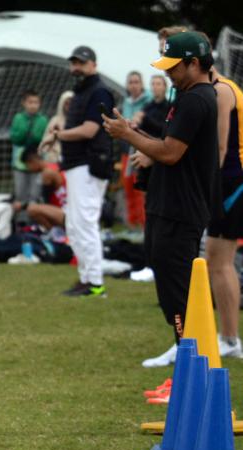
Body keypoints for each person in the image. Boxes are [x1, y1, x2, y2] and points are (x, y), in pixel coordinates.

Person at [103, 32, 219, 363]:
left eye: (173, 67)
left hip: (180, 210)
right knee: (171, 292)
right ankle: (187, 365)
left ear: (194, 64)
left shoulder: (197, 99)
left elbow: (170, 153)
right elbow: (169, 147)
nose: (168, 73)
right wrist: (134, 132)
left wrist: (127, 135)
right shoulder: (186, 96)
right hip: (167, 206)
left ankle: (190, 369)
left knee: (180, 295)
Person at [52, 46, 114, 297]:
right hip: (77, 165)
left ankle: (95, 282)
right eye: (74, 63)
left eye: (81, 63)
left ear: (93, 65)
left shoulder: (99, 92)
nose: (76, 67)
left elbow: (89, 130)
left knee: (85, 224)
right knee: (75, 226)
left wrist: (57, 135)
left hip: (89, 165)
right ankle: (86, 278)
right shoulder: (82, 92)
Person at [205, 64, 243, 358]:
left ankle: (230, 339)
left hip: (231, 184)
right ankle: (228, 337)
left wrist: (207, 188)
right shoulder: (221, 88)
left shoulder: (221, 91)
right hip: (229, 183)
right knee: (216, 261)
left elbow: (219, 146)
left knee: (220, 261)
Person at [120, 72, 152, 231]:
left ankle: (143, 225)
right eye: (130, 82)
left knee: (139, 188)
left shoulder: (149, 101)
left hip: (142, 150)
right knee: (128, 187)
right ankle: (132, 225)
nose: (133, 85)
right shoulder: (125, 103)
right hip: (127, 150)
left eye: (136, 82)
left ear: (141, 84)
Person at [10, 89, 48, 205]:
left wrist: (35, 137)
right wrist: (24, 133)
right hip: (20, 162)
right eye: (30, 102)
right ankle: (20, 221)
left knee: (35, 193)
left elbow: (45, 138)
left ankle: (33, 219)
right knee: (20, 193)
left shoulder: (43, 120)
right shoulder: (18, 118)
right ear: (24, 103)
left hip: (37, 161)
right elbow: (14, 137)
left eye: (36, 102)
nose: (33, 105)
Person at [39, 90, 74, 164]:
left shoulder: (78, 120)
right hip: (56, 158)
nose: (69, 106)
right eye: (66, 104)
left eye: (71, 103)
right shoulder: (55, 120)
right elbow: (47, 139)